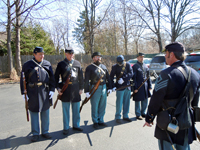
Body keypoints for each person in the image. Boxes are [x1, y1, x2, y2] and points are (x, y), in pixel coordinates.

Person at [143, 42, 200, 150]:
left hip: (168, 123)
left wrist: (149, 117)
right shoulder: (195, 74)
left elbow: (156, 99)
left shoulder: (166, 74)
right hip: (186, 121)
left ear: (172, 54)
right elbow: (195, 100)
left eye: (166, 53)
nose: (165, 56)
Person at [20, 47, 55, 142]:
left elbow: (52, 78)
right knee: (34, 112)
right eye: (39, 54)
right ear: (34, 54)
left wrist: (52, 89)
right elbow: (23, 79)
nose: (42, 56)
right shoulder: (27, 65)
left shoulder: (47, 64)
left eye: (43, 54)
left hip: (44, 90)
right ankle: (35, 133)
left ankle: (45, 131)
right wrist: (24, 92)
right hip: (32, 91)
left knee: (45, 112)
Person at [54, 47, 84, 135]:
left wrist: (81, 88)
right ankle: (66, 127)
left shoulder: (77, 63)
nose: (71, 55)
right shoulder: (61, 64)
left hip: (75, 89)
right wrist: (58, 88)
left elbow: (81, 77)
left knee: (76, 109)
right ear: (66, 54)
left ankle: (76, 125)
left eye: (72, 53)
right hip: (65, 89)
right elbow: (55, 77)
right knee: (66, 110)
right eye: (69, 54)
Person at [84, 52, 112, 129]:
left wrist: (109, 87)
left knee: (103, 105)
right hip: (94, 87)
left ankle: (101, 120)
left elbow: (108, 78)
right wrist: (86, 91)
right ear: (93, 58)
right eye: (97, 57)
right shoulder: (89, 67)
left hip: (103, 87)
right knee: (95, 105)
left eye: (100, 57)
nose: (99, 58)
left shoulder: (104, 66)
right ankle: (95, 121)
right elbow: (86, 80)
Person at [110, 55, 133, 124]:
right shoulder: (114, 67)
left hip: (127, 86)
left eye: (121, 62)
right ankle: (118, 116)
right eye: (119, 62)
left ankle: (125, 116)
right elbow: (111, 77)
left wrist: (124, 79)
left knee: (127, 102)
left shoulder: (128, 65)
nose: (120, 64)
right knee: (119, 103)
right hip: (119, 87)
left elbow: (131, 74)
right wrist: (112, 86)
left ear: (124, 60)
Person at [132, 52, 152, 120]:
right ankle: (138, 114)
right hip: (138, 86)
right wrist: (134, 88)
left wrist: (150, 86)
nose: (142, 58)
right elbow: (133, 78)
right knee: (137, 100)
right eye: (140, 57)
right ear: (137, 58)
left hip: (145, 86)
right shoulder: (135, 66)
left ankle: (143, 112)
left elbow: (148, 76)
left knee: (145, 100)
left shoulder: (145, 66)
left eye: (142, 57)